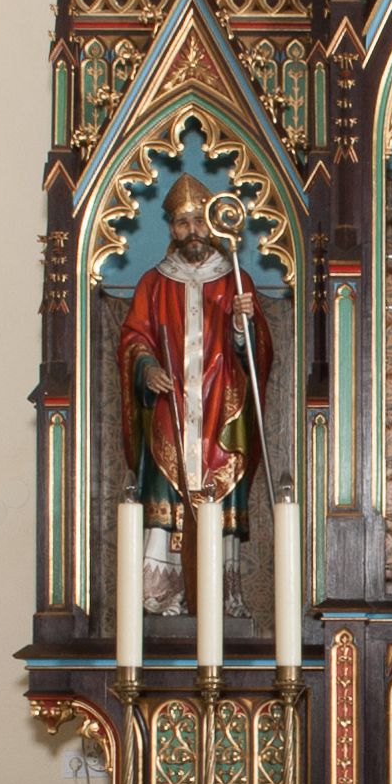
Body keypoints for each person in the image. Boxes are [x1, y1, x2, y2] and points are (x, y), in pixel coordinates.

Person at [117, 174, 271, 610]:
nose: (193, 231)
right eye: (182, 223)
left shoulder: (236, 279)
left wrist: (242, 322)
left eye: (199, 221)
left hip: (222, 408)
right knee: (167, 494)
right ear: (170, 228)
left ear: (213, 223)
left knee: (218, 496)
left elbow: (257, 354)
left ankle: (221, 599)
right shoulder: (153, 283)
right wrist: (147, 368)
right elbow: (133, 338)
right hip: (172, 407)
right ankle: (162, 597)